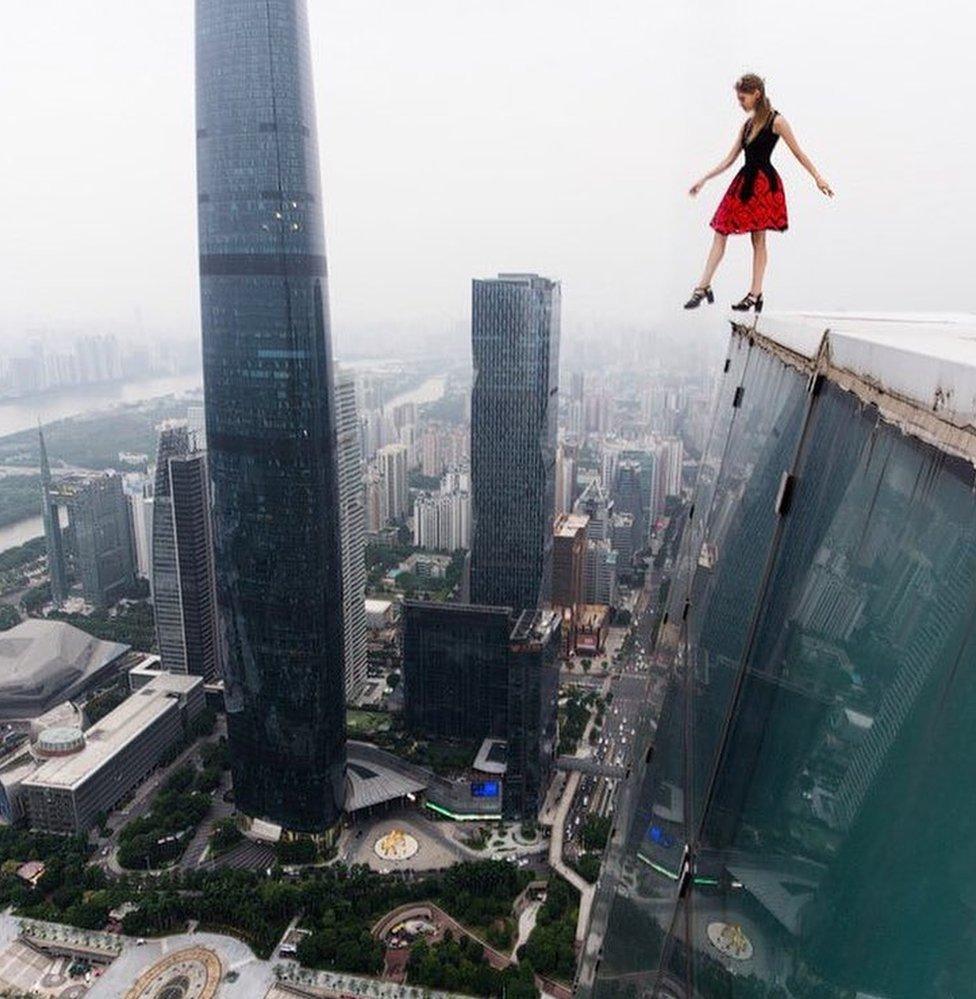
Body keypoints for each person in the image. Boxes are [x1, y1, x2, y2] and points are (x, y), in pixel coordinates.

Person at [684, 73, 833, 314]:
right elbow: (730, 159)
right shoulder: (747, 125)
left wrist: (817, 177)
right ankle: (703, 287)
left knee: (758, 240)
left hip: (763, 185)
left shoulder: (777, 121)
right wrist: (704, 179)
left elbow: (799, 153)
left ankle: (755, 293)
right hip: (743, 183)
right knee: (720, 230)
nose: (740, 103)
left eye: (743, 98)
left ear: (757, 94)